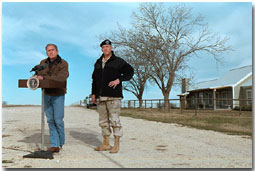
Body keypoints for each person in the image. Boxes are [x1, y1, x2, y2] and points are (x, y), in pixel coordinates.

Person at [91, 39, 134, 153]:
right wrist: (94, 94)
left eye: (107, 47)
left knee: (114, 120)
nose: (105, 49)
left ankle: (116, 144)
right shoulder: (98, 63)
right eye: (103, 47)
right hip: (101, 97)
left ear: (111, 48)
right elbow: (94, 80)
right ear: (101, 49)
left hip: (114, 97)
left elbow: (130, 71)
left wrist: (119, 79)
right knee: (103, 122)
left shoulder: (118, 61)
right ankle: (105, 143)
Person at [37, 44, 69, 153]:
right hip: (46, 93)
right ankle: (54, 145)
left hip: (58, 94)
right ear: (46, 52)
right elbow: (39, 75)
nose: (50, 52)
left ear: (57, 51)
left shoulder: (63, 63)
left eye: (52, 50)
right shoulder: (43, 63)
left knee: (58, 120)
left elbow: (61, 78)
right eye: (48, 50)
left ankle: (61, 142)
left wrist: (45, 78)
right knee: (50, 120)